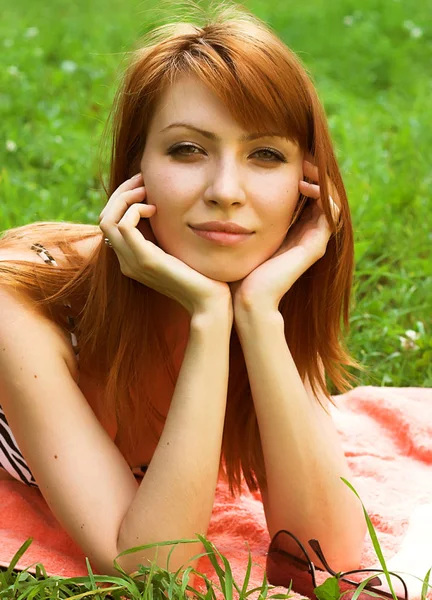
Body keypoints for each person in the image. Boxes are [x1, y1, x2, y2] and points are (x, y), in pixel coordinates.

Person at [0, 0, 369, 582]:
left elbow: (328, 558)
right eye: (187, 150)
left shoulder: (262, 293)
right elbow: (149, 570)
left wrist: (256, 312)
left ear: (308, 188)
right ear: (134, 169)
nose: (226, 190)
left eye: (266, 155)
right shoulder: (20, 304)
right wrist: (205, 316)